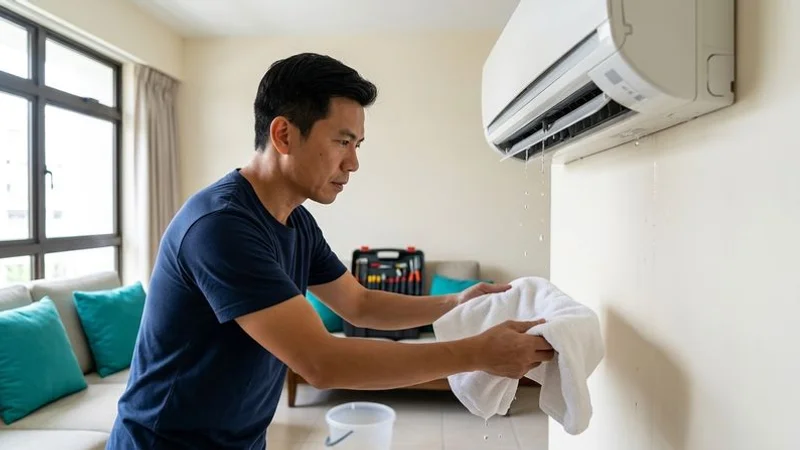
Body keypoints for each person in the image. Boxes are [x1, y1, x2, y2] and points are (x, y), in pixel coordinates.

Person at [106, 52, 554, 449]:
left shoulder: (295, 220)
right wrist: (477, 352)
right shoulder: (221, 226)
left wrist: (453, 304)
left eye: (356, 145)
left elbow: (357, 302)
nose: (353, 163)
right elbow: (322, 362)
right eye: (342, 142)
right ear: (283, 135)